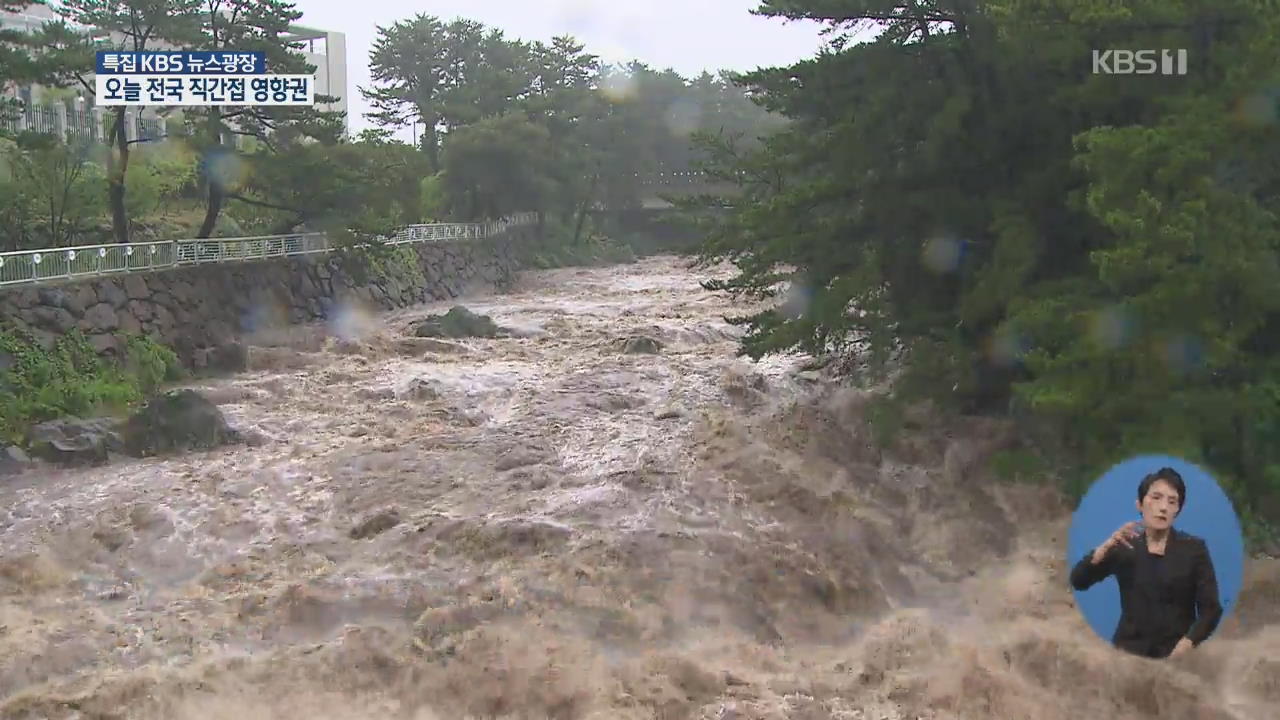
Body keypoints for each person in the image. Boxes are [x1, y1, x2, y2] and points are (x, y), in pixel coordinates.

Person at [1069, 466, 1223, 659]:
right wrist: (1105, 547)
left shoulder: (1194, 549)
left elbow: (1211, 610)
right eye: (1156, 498)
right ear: (1140, 504)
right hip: (1127, 656)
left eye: (1172, 501)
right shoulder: (1124, 546)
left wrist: (1187, 644)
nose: (1163, 507)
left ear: (1177, 510)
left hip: (1176, 658)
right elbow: (1079, 581)